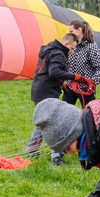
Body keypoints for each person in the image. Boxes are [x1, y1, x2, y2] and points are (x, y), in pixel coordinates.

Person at [25, 33, 78, 164]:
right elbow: (54, 71)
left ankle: (31, 151)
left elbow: (48, 71)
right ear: (66, 44)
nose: (71, 52)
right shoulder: (58, 53)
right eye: (72, 49)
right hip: (46, 93)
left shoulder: (49, 50)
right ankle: (56, 156)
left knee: (43, 122)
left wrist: (62, 85)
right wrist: (75, 77)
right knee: (54, 123)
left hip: (39, 89)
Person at [64, 19, 100, 107]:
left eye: (71, 31)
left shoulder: (91, 47)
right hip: (70, 86)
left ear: (79, 29)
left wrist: (91, 83)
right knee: (63, 111)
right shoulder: (72, 46)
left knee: (88, 114)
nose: (70, 34)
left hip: (86, 89)